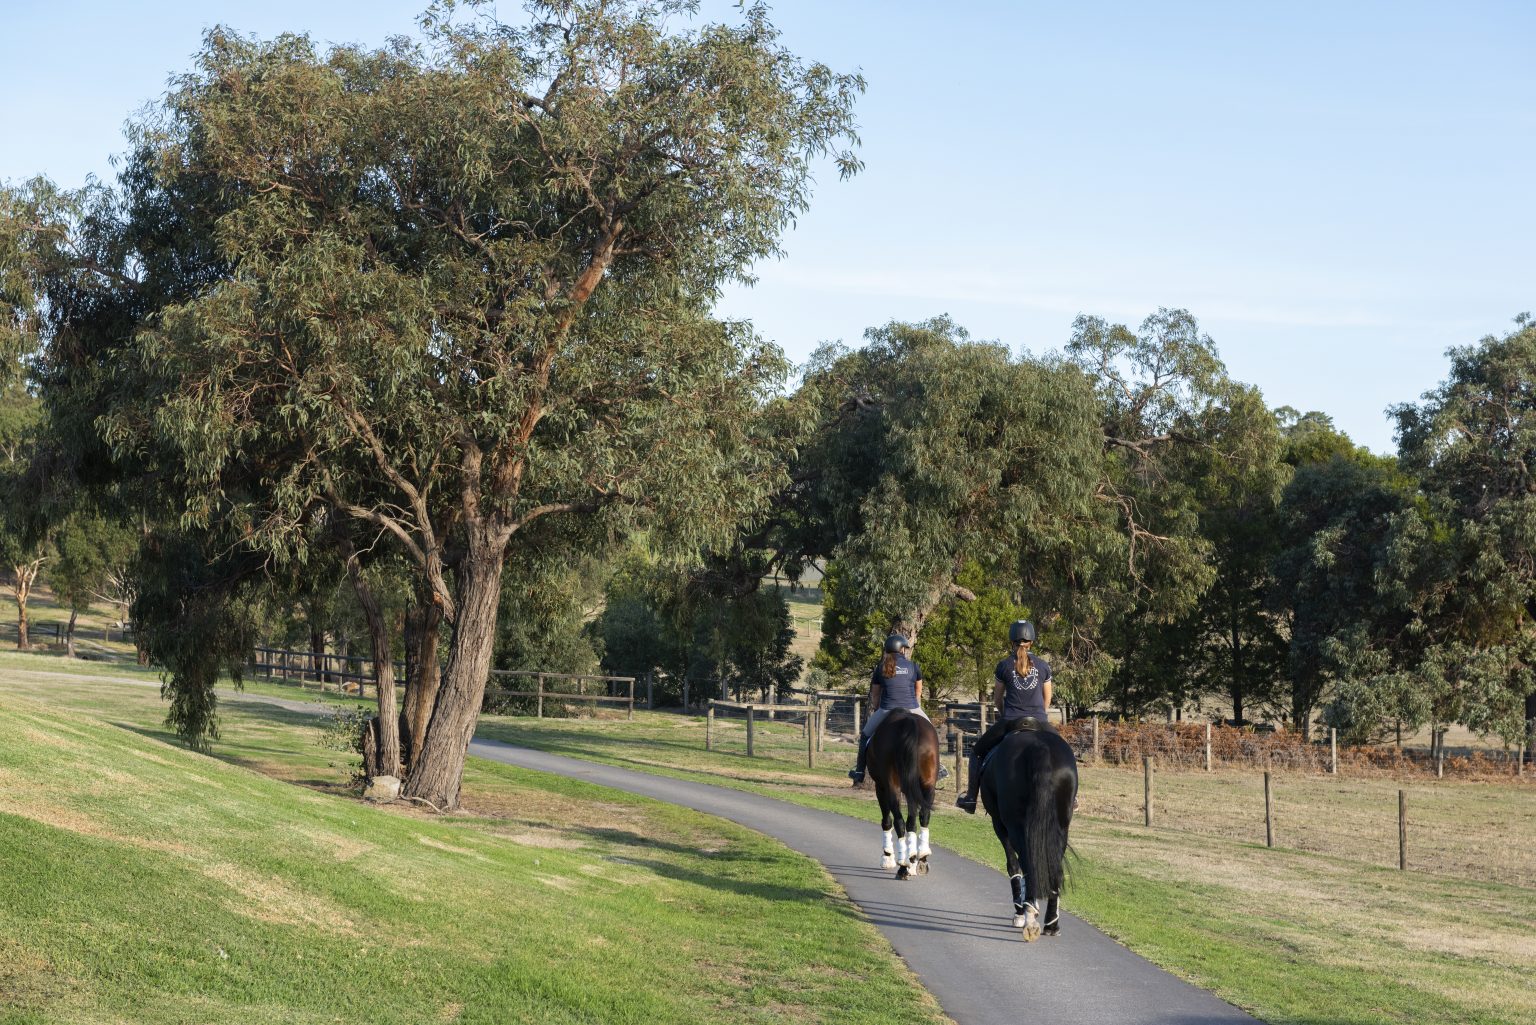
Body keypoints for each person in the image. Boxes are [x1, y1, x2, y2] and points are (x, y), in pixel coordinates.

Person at [955, 619, 1052, 813]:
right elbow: (1046, 699)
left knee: (977, 752)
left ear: (1011, 641)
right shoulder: (1043, 666)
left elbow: (998, 699)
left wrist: (1004, 714)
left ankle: (971, 799)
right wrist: (1039, 715)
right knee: (1063, 750)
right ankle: (1072, 797)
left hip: (1011, 720)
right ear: (1031, 641)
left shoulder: (1004, 666)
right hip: (1040, 721)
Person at [849, 633, 946, 785]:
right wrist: (916, 707)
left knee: (865, 736)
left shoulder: (880, 668)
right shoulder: (914, 666)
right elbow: (918, 692)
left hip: (887, 709)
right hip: (912, 707)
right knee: (931, 733)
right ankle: (938, 768)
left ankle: (860, 771)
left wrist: (877, 709)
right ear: (901, 650)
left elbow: (875, 695)